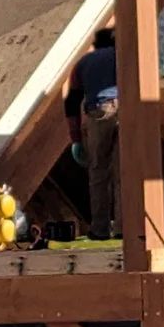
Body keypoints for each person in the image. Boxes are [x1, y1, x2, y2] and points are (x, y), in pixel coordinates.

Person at [62, 27, 120, 239]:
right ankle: (125, 230)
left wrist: (76, 139)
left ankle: (100, 229)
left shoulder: (84, 63)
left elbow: (72, 102)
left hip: (100, 111)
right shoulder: (124, 55)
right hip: (127, 110)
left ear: (95, 44)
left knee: (98, 172)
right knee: (124, 173)